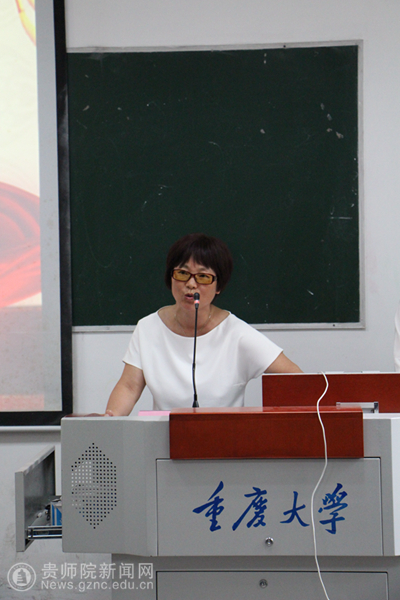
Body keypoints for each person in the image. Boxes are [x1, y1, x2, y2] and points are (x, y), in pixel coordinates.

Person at [106, 233, 301, 415]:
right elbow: (129, 387)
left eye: (203, 277)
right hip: (164, 438)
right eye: (182, 273)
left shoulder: (236, 334)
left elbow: (297, 378)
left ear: (219, 286)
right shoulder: (148, 328)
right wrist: (109, 418)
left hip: (223, 438)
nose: (191, 284)